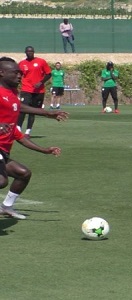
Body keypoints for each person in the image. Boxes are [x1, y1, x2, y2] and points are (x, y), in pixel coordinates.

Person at [0, 57, 66, 219]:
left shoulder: (12, 93)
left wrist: (45, 150)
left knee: (23, 174)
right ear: (1, 73)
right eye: (15, 72)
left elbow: (20, 136)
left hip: (3, 151)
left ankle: (6, 207)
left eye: (20, 73)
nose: (19, 75)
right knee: (1, 181)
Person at [17, 46, 52, 138]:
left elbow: (48, 74)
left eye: (31, 51)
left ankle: (28, 132)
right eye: (28, 51)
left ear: (34, 52)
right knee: (22, 110)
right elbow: (18, 76)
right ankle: (18, 130)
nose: (30, 53)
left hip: (39, 91)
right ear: (25, 52)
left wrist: (41, 82)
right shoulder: (21, 63)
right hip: (26, 89)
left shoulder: (41, 61)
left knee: (33, 111)